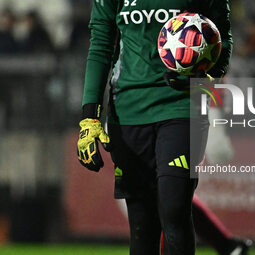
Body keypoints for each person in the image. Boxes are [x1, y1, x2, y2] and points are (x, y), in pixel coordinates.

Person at [77, 0, 235, 254]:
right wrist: (89, 116)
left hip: (183, 106)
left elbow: (222, 38)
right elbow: (100, 45)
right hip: (128, 110)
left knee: (174, 209)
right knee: (142, 224)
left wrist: (208, 73)